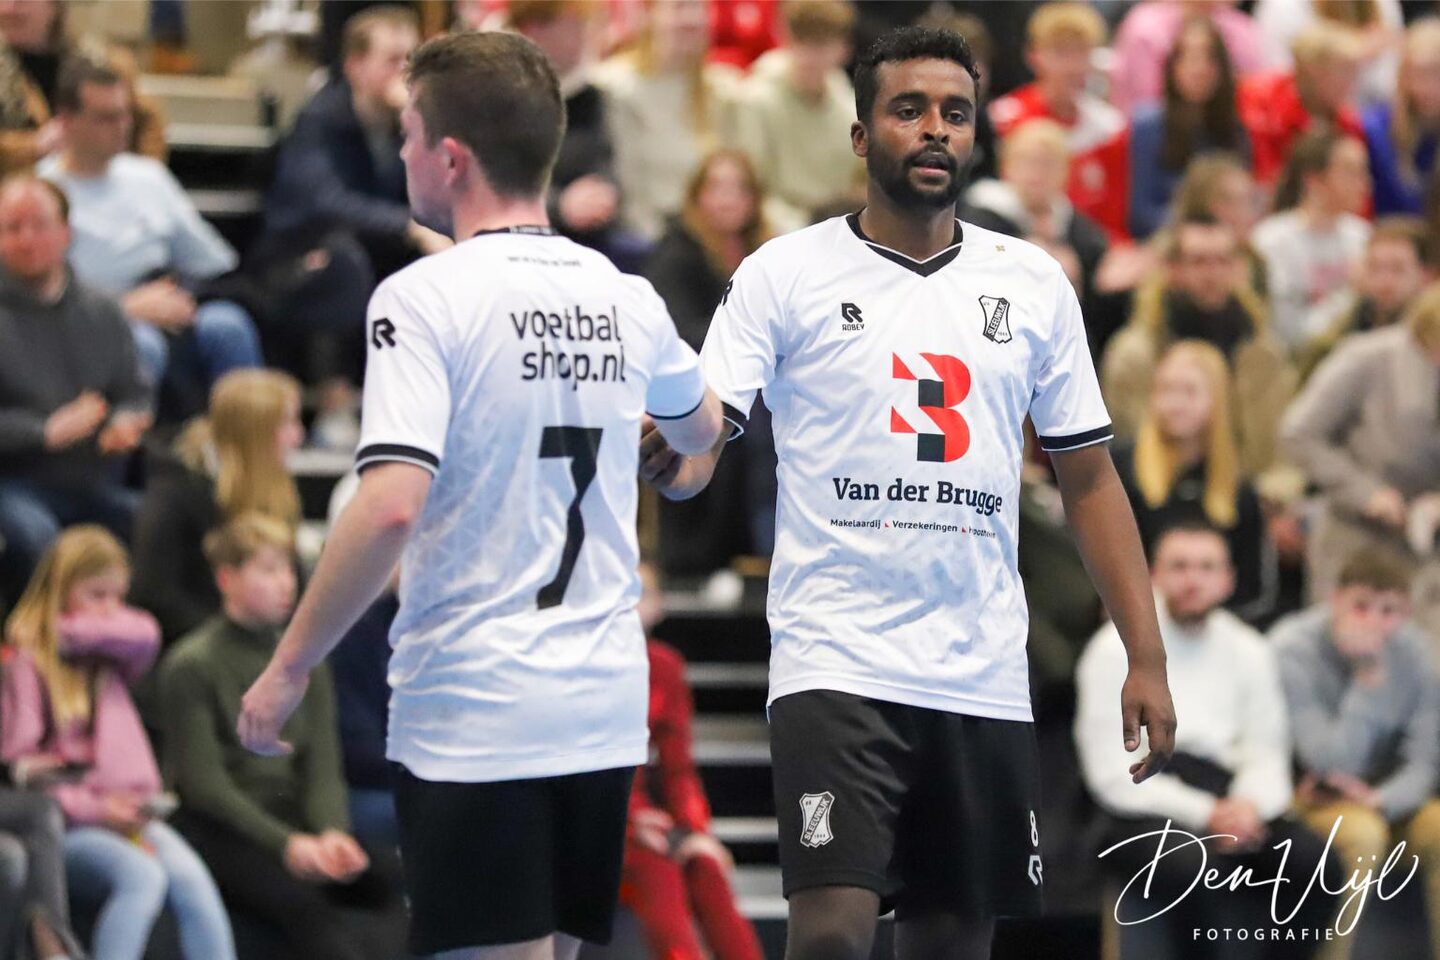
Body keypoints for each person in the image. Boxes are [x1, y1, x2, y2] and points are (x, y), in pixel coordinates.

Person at [639, 25, 1176, 960]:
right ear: (860, 135)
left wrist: (1147, 654)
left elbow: (1089, 477)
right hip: (835, 659)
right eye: (909, 110)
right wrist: (676, 465)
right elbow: (708, 433)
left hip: (980, 667)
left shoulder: (1032, 282)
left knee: (955, 943)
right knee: (831, 937)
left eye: (955, 113)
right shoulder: (784, 272)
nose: (935, 129)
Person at [236, 30, 724, 960]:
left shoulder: (424, 297)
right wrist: (675, 460)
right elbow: (701, 431)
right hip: (601, 702)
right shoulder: (623, 293)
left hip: (478, 701)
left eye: (410, 136)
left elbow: (390, 505)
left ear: (451, 157)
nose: (404, 155)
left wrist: (290, 665)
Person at [1076, 521, 1337, 959]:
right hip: (1141, 804)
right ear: (1153, 575)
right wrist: (1206, 814)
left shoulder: (1249, 649)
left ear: (1227, 579)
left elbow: (1266, 751)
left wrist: (1246, 808)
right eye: (1179, 567)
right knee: (1195, 866)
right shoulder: (1112, 650)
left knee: (1316, 863)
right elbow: (1110, 776)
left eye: (1206, 567)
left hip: (1229, 793)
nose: (1193, 580)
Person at [159, 515, 403, 960]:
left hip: (294, 819)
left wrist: (332, 833)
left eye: (288, 568)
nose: (286, 583)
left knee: (390, 879)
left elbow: (324, 766)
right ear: (227, 578)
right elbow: (204, 786)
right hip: (222, 828)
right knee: (305, 909)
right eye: (268, 570)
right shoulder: (191, 664)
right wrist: (286, 845)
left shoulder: (309, 660)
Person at [1, 526, 235, 960]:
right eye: (96, 596)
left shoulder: (110, 657)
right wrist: (96, 809)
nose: (110, 612)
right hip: (70, 825)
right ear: (59, 591)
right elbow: (22, 775)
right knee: (141, 876)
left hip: (130, 815)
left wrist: (72, 631)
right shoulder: (28, 668)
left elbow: (146, 633)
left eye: (117, 597)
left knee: (192, 880)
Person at [37, 57, 261, 420]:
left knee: (228, 326)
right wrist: (123, 307)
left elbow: (215, 263)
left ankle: (248, 448)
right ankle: (128, 453)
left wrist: (179, 296)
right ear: (67, 119)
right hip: (82, 325)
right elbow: (36, 292)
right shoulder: (43, 191)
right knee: (142, 345)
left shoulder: (150, 179)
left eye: (126, 115)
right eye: (106, 117)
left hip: (163, 304)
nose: (121, 127)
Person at [255, 5, 443, 391]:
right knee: (346, 261)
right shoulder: (320, 119)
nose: (405, 73)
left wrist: (421, 124)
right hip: (298, 259)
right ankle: (335, 397)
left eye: (412, 61)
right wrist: (408, 226)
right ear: (355, 66)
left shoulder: (406, 125)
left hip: (376, 247)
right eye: (392, 60)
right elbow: (324, 202)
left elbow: (438, 192)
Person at [1272, 549, 1440, 960]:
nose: (1373, 623)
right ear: (1334, 599)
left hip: (1384, 797)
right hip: (1309, 798)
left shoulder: (1418, 654)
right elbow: (1327, 762)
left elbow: (1424, 763)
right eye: (1361, 606)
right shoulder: (1292, 648)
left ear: (1406, 613)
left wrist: (1380, 799)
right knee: (1362, 833)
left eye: (1389, 611)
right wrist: (1368, 679)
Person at [0, 175, 149, 600]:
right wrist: (43, 432)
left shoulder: (103, 311)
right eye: (12, 227)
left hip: (92, 479)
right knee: (37, 538)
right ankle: (42, 635)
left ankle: (130, 635)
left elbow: (133, 392)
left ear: (66, 232)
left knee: (152, 523)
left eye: (39, 225)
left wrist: (124, 421)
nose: (27, 239)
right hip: (13, 481)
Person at [644, 150, 775, 576]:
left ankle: (765, 550)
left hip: (756, 385)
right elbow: (673, 334)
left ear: (754, 198)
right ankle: (702, 559)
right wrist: (744, 342)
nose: (727, 199)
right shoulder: (676, 254)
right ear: (696, 196)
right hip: (694, 385)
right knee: (739, 427)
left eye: (738, 189)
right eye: (716, 188)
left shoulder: (769, 257)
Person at [622, 564, 762, 960]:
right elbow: (595, 764)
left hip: (649, 821)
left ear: (659, 605)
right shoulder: (590, 666)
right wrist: (634, 820)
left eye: (640, 594)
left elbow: (678, 764)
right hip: (608, 823)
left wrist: (694, 830)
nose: (630, 605)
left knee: (706, 866)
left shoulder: (664, 666)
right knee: (658, 873)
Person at [1280, 283, 1440, 612]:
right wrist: (1366, 492)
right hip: (1354, 537)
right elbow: (1299, 434)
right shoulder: (1367, 358)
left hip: (1429, 556)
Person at [1101, 215, 1296, 478]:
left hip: (1249, 489)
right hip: (1157, 489)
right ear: (1172, 269)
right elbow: (1129, 444)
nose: (1212, 274)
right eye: (1199, 261)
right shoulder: (1136, 354)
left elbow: (1278, 450)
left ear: (1239, 268)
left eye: (1223, 261)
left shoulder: (1262, 354)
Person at [129, 369, 303, 647]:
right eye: (287, 423)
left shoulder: (278, 495)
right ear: (255, 432)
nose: (298, 436)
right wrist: (230, 640)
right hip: (192, 650)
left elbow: (298, 584)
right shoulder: (177, 492)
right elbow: (154, 593)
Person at [1113, 340, 1267, 618]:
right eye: (1166, 390)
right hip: (1133, 617)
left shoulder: (1240, 491)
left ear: (1217, 399)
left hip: (1214, 622)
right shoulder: (1122, 470)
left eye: (1189, 391)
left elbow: (1250, 586)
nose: (1175, 404)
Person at [593, 0, 741, 241]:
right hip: (648, 237)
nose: (693, 19)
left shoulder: (723, 90)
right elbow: (629, 190)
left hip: (711, 237)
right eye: (680, 7)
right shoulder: (615, 88)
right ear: (650, 15)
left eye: (699, 8)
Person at [507, 0, 636, 267]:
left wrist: (604, 194)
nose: (584, 35)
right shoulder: (502, 99)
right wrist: (559, 206)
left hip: (588, 238)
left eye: (584, 25)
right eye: (573, 25)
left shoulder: (589, 97)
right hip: (520, 243)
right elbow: (498, 181)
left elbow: (604, 161)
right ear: (535, 29)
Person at [988, 2, 1128, 242]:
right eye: (1060, 53)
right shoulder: (1004, 119)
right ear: (1033, 56)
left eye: (1081, 52)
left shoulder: (1110, 128)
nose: (1072, 66)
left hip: (1093, 250)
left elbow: (1115, 218)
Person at [734, 0, 861, 233]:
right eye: (802, 43)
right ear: (785, 40)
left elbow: (854, 187)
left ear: (843, 50)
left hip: (835, 225)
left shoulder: (850, 109)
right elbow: (752, 190)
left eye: (822, 46)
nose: (810, 57)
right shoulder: (755, 100)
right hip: (774, 230)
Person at [964, 118, 1109, 315]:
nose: (1036, 173)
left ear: (1065, 172)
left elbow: (1096, 285)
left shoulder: (1080, 231)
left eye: (1048, 164)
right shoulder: (979, 218)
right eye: (1026, 162)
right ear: (1006, 166)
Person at [1128, 15, 1250, 241]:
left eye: (1209, 58)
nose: (1199, 69)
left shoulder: (1235, 129)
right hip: (1168, 242)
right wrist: (1194, 229)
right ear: (1172, 67)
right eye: (1188, 58)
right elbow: (1141, 213)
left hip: (1227, 241)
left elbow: (1243, 201)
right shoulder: (1147, 126)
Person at [1253, 130, 1373, 353]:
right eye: (1350, 172)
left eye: (1364, 171)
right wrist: (1350, 293)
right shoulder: (1272, 241)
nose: (1364, 183)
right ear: (1314, 180)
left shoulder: (1363, 237)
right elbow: (1287, 333)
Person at [1297, 215, 1433, 380]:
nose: (1384, 281)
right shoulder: (1335, 339)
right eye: (1374, 267)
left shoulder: (1431, 345)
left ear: (1425, 276)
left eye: (1397, 269)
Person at [1238, 21, 1364, 189]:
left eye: (1354, 72)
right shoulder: (1260, 101)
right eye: (1343, 71)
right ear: (1312, 70)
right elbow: (1263, 178)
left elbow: (1360, 190)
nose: (1351, 82)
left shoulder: (1348, 124)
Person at [1107, 0, 1265, 115]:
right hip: (1163, 134)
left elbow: (1253, 98)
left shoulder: (1241, 28)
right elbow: (1141, 106)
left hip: (1225, 130)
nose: (1201, 68)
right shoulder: (1145, 29)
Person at [1365, 19, 1440, 216]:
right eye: (1418, 73)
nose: (1427, 86)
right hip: (1392, 230)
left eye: (1436, 73)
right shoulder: (1375, 130)